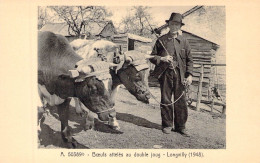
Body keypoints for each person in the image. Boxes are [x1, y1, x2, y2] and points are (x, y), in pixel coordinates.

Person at [149, 13, 193, 136]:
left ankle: (181, 127)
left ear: (180, 26)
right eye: (172, 23)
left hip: (180, 75)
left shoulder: (184, 41)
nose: (174, 26)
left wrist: (189, 75)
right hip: (165, 74)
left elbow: (190, 60)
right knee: (166, 99)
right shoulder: (161, 40)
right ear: (168, 24)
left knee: (181, 101)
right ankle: (167, 125)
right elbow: (152, 57)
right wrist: (162, 59)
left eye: (177, 24)